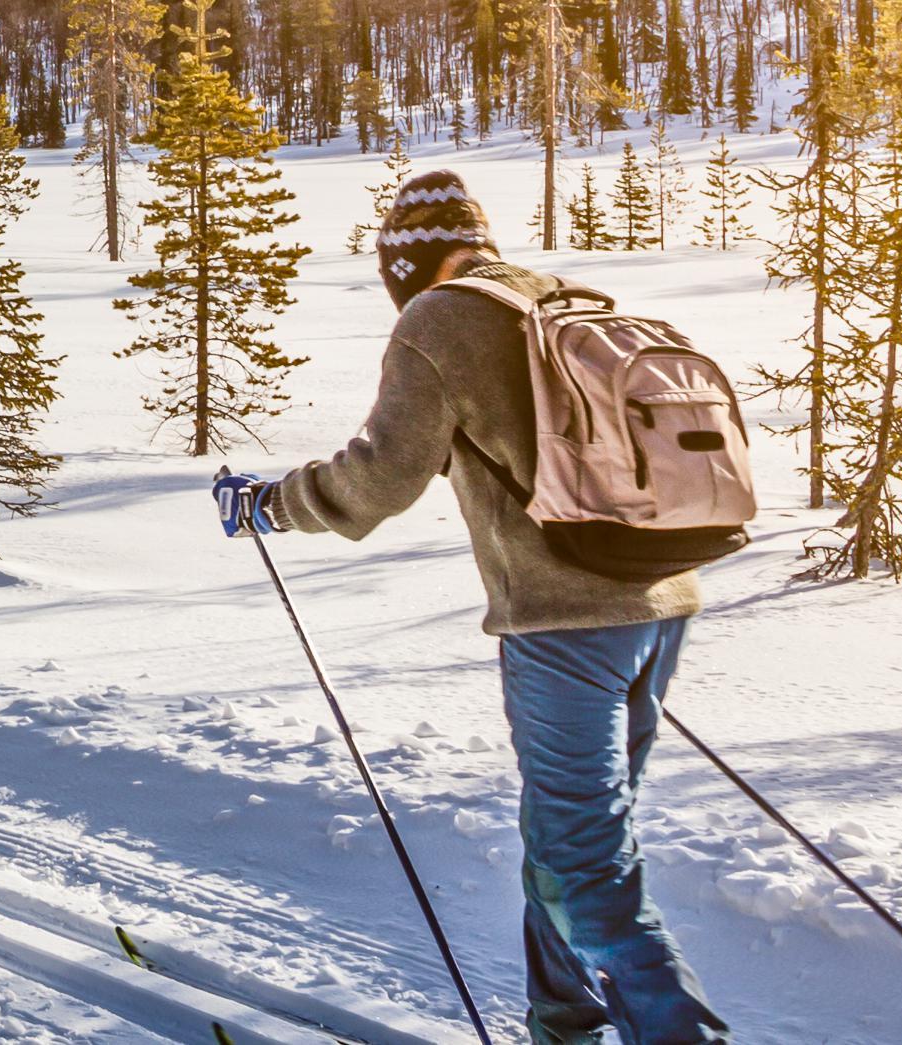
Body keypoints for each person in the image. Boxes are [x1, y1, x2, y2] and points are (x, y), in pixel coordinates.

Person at [211, 171, 731, 1045]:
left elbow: (376, 480)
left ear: (405, 269)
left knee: (585, 869)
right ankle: (565, 1027)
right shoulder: (557, 297)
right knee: (569, 852)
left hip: (567, 627)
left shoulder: (440, 318)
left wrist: (269, 504)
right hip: (661, 601)